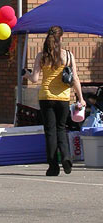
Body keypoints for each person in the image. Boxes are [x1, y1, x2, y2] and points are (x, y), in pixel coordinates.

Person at [23, 25, 86, 176]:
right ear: (61, 38)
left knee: (50, 132)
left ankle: (53, 167)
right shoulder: (69, 56)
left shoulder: (42, 56)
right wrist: (81, 98)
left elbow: (35, 79)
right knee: (61, 129)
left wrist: (26, 74)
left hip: (45, 98)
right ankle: (66, 157)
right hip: (63, 98)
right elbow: (75, 79)